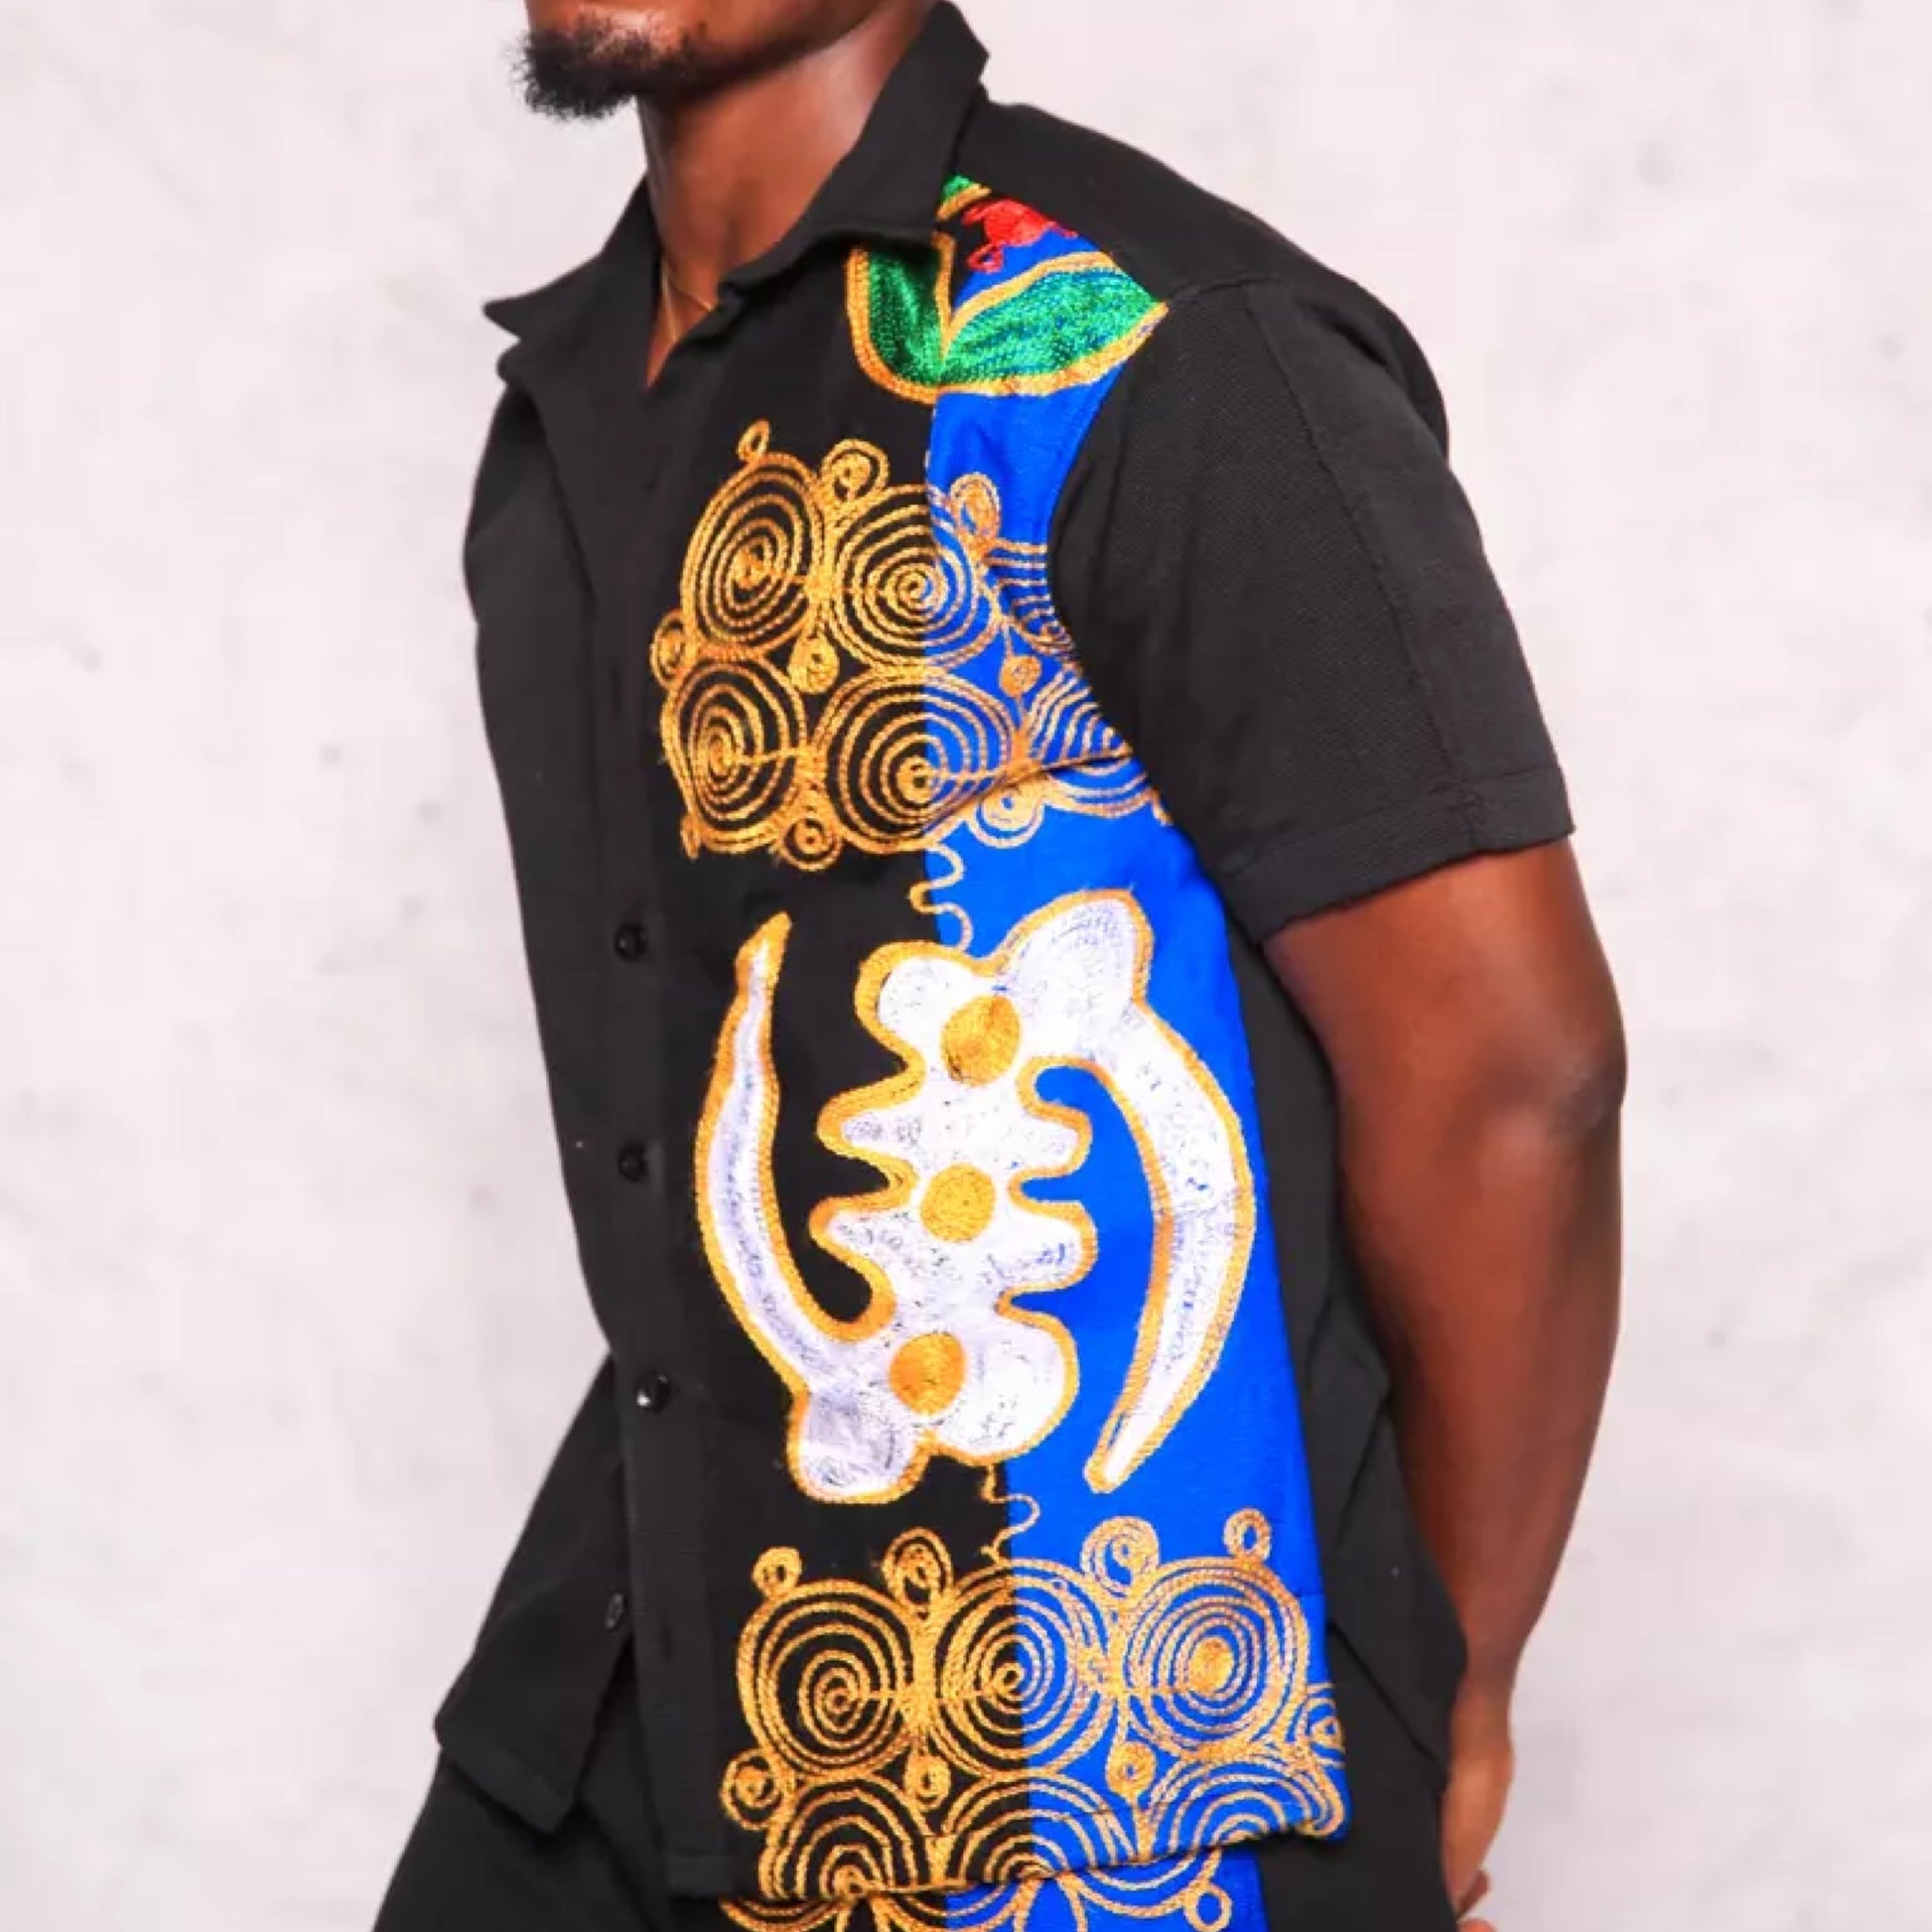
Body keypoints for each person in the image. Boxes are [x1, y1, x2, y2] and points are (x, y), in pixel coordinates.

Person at [372, 3, 1624, 1928]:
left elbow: (1509, 1078)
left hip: (1099, 1770)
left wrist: (1441, 1685)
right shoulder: (573, 402)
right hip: (634, 1669)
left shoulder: (1156, 348)